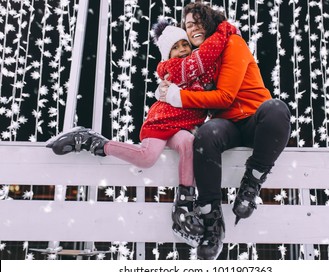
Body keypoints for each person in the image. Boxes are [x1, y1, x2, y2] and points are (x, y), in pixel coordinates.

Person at [46, 18, 238, 247]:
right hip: (162, 121)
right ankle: (91, 141)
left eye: (184, 44)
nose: (181, 50)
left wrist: (228, 35)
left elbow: (213, 60)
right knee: (147, 158)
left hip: (183, 128)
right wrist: (223, 30)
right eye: (174, 47)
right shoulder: (172, 69)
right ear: (167, 55)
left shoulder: (200, 69)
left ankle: (185, 202)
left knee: (188, 142)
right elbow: (202, 58)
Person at [158, 2, 291, 260]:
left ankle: (252, 182)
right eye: (188, 25)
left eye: (197, 22)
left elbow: (226, 96)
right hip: (226, 124)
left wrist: (179, 98)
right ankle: (211, 218)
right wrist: (163, 90)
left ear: (209, 21)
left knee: (276, 109)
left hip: (254, 118)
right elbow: (174, 72)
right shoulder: (199, 61)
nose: (193, 28)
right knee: (206, 134)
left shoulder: (232, 43)